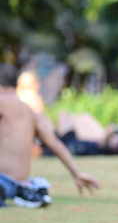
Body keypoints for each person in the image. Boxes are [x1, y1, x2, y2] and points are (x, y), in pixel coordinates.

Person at [0, 64, 99, 208]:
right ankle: (30, 191)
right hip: (18, 185)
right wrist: (77, 173)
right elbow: (55, 144)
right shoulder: (31, 112)